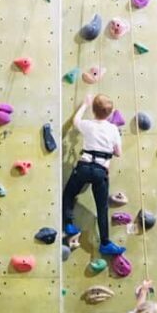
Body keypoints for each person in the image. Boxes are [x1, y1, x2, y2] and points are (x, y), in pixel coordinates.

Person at [63, 93, 126, 256]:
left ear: (93, 110)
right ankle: (105, 242)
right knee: (102, 207)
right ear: (110, 113)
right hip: (100, 171)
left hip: (84, 167)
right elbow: (118, 152)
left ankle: (69, 224)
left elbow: (75, 121)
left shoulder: (88, 125)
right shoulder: (113, 129)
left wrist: (84, 104)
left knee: (69, 194)